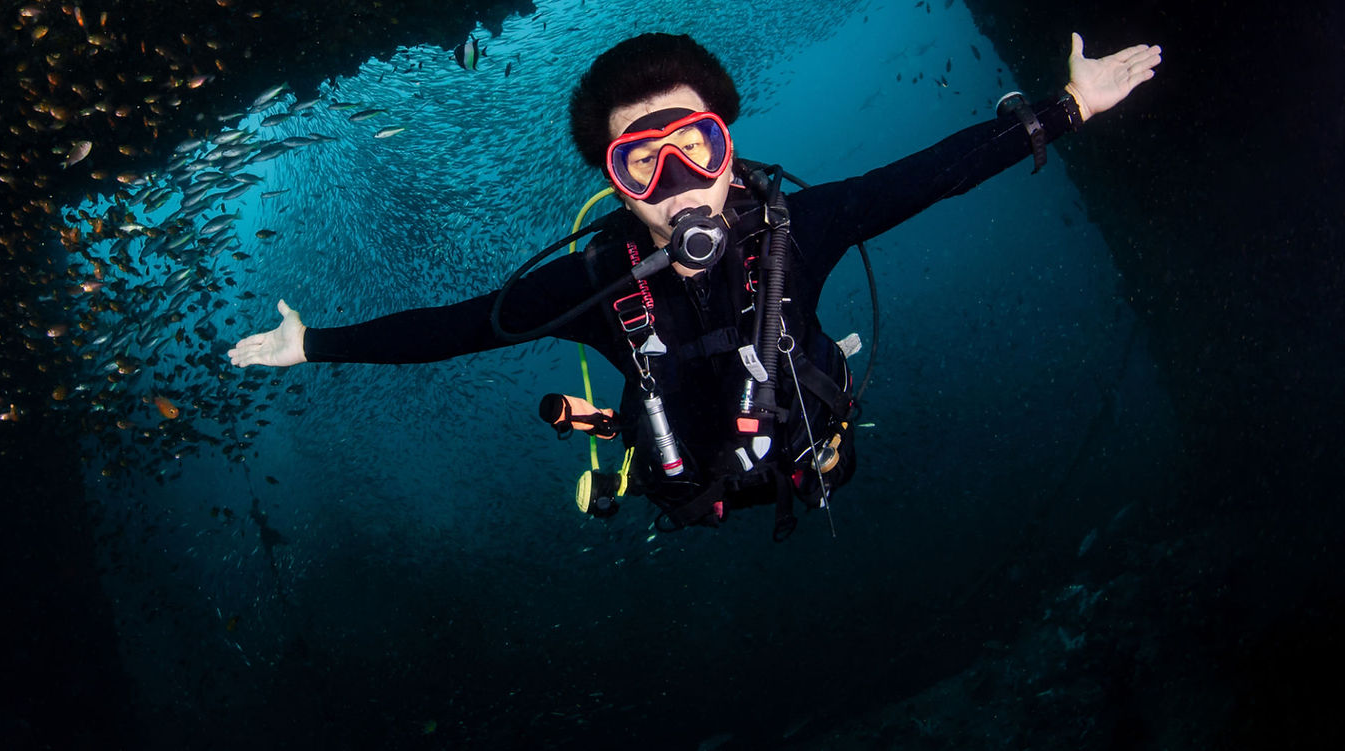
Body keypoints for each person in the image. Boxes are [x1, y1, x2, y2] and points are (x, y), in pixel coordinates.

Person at [228, 31, 1161, 539]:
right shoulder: (593, 282)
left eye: (696, 147)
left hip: (811, 456)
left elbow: (930, 173)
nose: (678, 184)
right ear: (616, 184)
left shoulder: (801, 227)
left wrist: (1068, 106)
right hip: (682, 492)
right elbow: (461, 326)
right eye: (643, 164)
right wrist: (313, 343)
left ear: (729, 151)